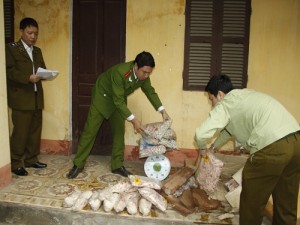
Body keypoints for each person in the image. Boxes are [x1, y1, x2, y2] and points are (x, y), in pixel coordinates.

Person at [195, 74, 300, 225]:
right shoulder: (244, 96)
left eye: (211, 99)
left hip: (271, 147)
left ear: (220, 94)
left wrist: (202, 148)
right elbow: (228, 131)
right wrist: (213, 147)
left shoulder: (226, 104)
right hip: (296, 142)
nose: (212, 104)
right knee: (286, 201)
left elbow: (200, 134)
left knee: (252, 202)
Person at [67, 51, 170, 179]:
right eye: (144, 72)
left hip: (118, 100)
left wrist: (162, 111)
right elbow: (118, 101)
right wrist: (134, 120)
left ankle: (117, 165)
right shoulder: (120, 72)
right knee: (90, 131)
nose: (146, 75)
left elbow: (150, 91)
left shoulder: (143, 76)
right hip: (102, 98)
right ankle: (78, 164)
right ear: (136, 66)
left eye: (149, 73)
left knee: (119, 132)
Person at [6, 17, 48, 176]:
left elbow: (42, 68)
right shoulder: (11, 48)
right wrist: (27, 77)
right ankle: (16, 162)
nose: (33, 36)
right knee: (21, 132)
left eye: (36, 34)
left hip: (37, 97)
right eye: (30, 33)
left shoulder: (37, 50)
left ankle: (31, 159)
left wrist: (45, 74)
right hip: (21, 98)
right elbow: (9, 71)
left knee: (34, 131)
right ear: (22, 31)